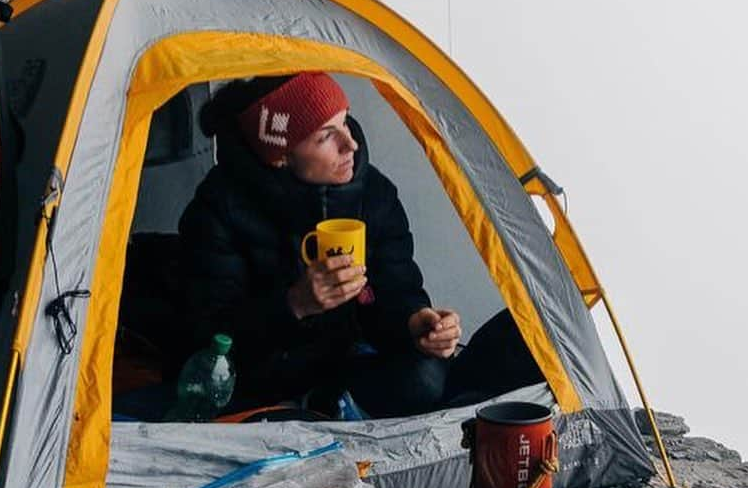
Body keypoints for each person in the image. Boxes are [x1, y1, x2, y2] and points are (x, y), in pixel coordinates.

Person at [178, 72, 538, 418]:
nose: (350, 144)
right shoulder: (218, 209)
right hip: (265, 378)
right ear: (281, 155)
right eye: (325, 136)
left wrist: (417, 322)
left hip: (348, 366)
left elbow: (396, 288)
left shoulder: (373, 194)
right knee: (426, 387)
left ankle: (357, 408)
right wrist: (294, 305)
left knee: (523, 334)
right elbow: (208, 336)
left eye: (346, 122)